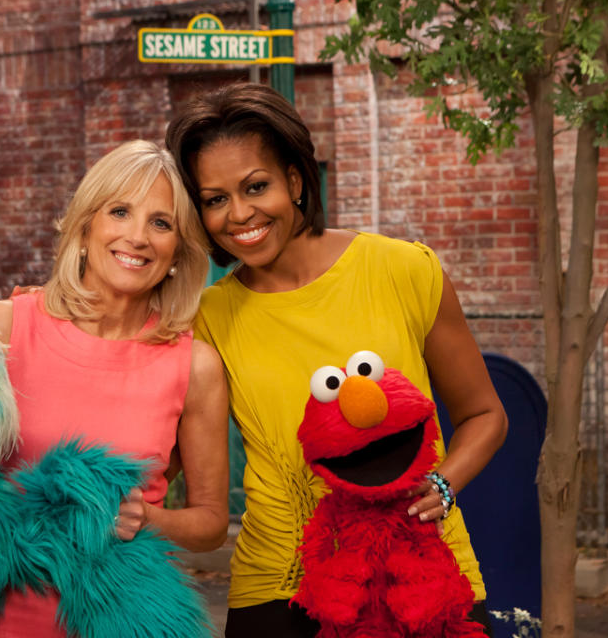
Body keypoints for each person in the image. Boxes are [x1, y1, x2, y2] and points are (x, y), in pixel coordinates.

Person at [165, 82, 508, 637]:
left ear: (296, 180)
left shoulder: (404, 271)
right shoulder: (207, 316)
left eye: (256, 186)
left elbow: (485, 416)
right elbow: (161, 457)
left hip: (423, 580)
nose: (239, 214)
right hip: (278, 592)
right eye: (215, 199)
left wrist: (442, 487)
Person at [0, 139, 230, 638]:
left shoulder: (195, 365)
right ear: (86, 225)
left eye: (161, 223)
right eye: (120, 211)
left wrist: (149, 517)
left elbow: (209, 523)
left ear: (178, 250)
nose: (137, 237)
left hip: (120, 616)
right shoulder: (3, 329)